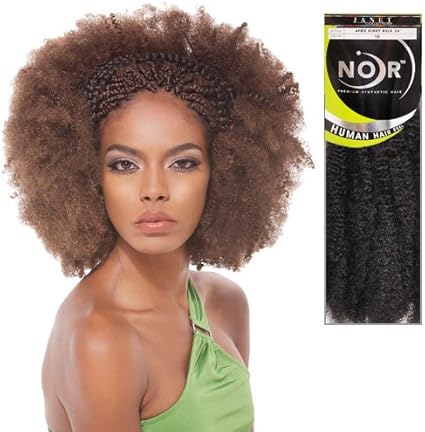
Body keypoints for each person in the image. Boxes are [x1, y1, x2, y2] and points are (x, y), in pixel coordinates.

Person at [3, 5, 311, 431]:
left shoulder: (224, 304)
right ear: (88, 175)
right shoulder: (101, 337)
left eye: (182, 163)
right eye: (124, 165)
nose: (153, 189)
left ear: (224, 170)